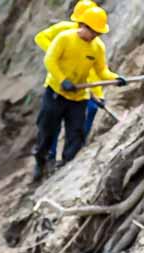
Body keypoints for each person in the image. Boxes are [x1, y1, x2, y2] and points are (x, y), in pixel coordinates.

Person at [34, 6, 126, 180]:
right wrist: (62, 80)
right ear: (83, 25)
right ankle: (41, 162)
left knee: (76, 134)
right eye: (93, 31)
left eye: (98, 33)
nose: (95, 36)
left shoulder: (97, 47)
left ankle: (66, 166)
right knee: (47, 130)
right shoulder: (65, 38)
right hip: (55, 93)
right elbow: (50, 60)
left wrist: (116, 78)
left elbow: (101, 71)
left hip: (79, 97)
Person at [33, 0, 106, 165]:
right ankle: (46, 158)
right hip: (58, 88)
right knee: (49, 126)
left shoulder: (95, 46)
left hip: (80, 92)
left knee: (79, 127)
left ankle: (70, 158)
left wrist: (99, 94)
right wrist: (59, 57)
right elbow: (42, 42)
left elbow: (96, 72)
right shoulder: (65, 32)